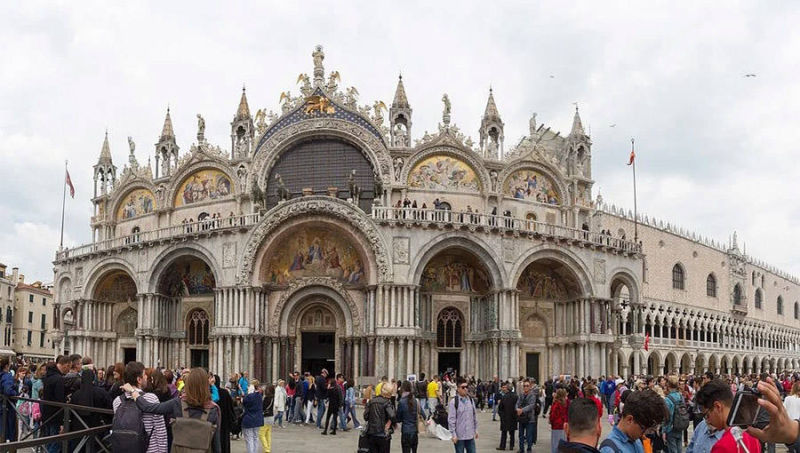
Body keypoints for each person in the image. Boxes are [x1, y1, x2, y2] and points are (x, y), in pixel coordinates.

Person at [125, 367, 222, 453]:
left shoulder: (178, 403)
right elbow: (216, 445)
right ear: (206, 386)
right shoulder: (213, 409)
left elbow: (149, 407)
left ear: (189, 384)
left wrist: (133, 391)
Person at [685, 379, 761, 453]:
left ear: (718, 407)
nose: (707, 421)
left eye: (707, 415)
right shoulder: (753, 438)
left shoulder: (722, 446)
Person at [113, 361, 168, 453]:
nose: (147, 377)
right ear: (139, 379)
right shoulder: (151, 398)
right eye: (144, 375)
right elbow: (160, 431)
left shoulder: (117, 401)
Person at [599, 389, 668, 453]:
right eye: (643, 428)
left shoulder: (636, 440)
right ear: (630, 420)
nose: (644, 434)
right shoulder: (609, 449)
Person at [42, 356, 71, 453]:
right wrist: (61, 422)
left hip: (47, 415)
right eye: (69, 367)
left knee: (49, 442)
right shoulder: (59, 379)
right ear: (66, 365)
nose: (69, 370)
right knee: (55, 444)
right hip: (55, 416)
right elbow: (59, 401)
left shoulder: (48, 376)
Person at [364, 382, 397, 453]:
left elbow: (365, 416)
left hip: (371, 432)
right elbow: (392, 416)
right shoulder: (387, 403)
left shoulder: (371, 401)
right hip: (382, 433)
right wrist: (389, 423)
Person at [448, 377, 479, 453]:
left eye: (466, 387)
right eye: (463, 387)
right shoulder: (454, 402)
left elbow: (474, 416)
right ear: (458, 389)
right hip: (459, 436)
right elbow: (451, 420)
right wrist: (453, 434)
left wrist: (476, 429)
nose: (465, 389)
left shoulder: (471, 401)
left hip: (470, 435)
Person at [663, 376, 689, 453]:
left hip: (671, 428)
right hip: (680, 425)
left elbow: (667, 416)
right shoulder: (680, 396)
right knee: (679, 449)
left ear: (668, 385)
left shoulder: (668, 399)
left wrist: (664, 430)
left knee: (673, 450)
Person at [396, 380, 422, 453]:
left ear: (403, 389)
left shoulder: (401, 401)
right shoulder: (416, 401)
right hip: (414, 431)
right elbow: (423, 414)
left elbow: (398, 418)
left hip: (405, 431)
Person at [517, 379, 541, 453]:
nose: (525, 387)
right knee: (520, 435)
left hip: (530, 418)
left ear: (530, 386)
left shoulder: (532, 395)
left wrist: (521, 410)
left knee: (529, 435)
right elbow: (517, 403)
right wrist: (517, 409)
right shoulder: (521, 395)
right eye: (524, 386)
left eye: (527, 386)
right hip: (521, 418)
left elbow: (531, 406)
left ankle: (529, 449)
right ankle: (521, 449)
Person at [213, 374, 235, 453]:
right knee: (224, 442)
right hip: (224, 422)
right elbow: (230, 408)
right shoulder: (225, 393)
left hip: (214, 422)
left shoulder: (210, 393)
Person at [241, 379, 263, 453]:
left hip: (249, 419)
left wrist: (248, 394)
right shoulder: (259, 396)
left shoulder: (249, 397)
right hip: (258, 419)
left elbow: (244, 403)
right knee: (255, 438)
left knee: (249, 438)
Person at [0, 357, 18, 442]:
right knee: (11, 435)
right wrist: (15, 393)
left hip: (3, 408)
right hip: (6, 409)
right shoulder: (7, 376)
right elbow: (8, 390)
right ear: (7, 366)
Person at [498, 381, 518, 451]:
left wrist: (501, 415)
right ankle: (511, 446)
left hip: (505, 417)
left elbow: (500, 408)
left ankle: (502, 446)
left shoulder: (504, 397)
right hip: (513, 417)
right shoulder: (516, 396)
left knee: (504, 433)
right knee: (512, 433)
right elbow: (517, 406)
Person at [551, 388, 570, 453]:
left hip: (556, 426)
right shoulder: (566, 403)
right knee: (563, 444)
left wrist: (551, 421)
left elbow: (553, 415)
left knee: (555, 444)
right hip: (564, 425)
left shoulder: (556, 404)